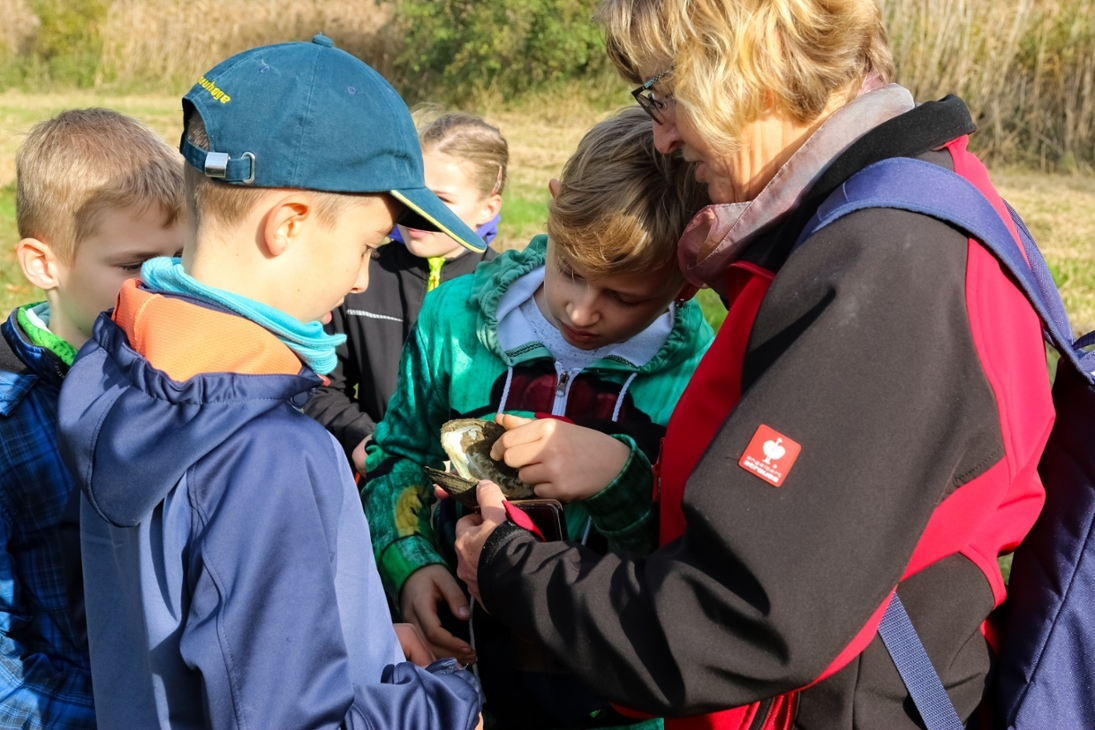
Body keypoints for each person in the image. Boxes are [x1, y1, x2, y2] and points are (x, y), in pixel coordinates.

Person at [454, 1, 1055, 728]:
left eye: (664, 94)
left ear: (744, 70)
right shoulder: (911, 205)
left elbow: (731, 620)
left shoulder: (882, 266)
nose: (663, 135)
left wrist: (510, 570)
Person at [54, 37, 485, 729]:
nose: (360, 279)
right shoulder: (272, 454)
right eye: (367, 247)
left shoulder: (113, 363)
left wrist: (357, 654)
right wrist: (448, 702)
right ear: (286, 225)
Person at [362, 106, 712, 729]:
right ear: (554, 208)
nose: (582, 312)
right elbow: (397, 456)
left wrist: (619, 477)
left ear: (685, 278)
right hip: (468, 669)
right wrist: (411, 563)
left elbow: (693, 554)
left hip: (612, 689)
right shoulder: (456, 320)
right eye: (571, 272)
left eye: (624, 297)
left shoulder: (693, 378)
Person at [0, 108, 184, 730]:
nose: (164, 288)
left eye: (179, 260)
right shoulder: (10, 419)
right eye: (134, 266)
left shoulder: (180, 378)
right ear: (43, 263)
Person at [306, 112, 506, 472]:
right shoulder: (358, 274)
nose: (419, 213)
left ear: (487, 209)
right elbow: (319, 386)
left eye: (441, 201)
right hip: (378, 474)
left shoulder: (506, 292)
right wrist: (365, 440)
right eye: (413, 194)